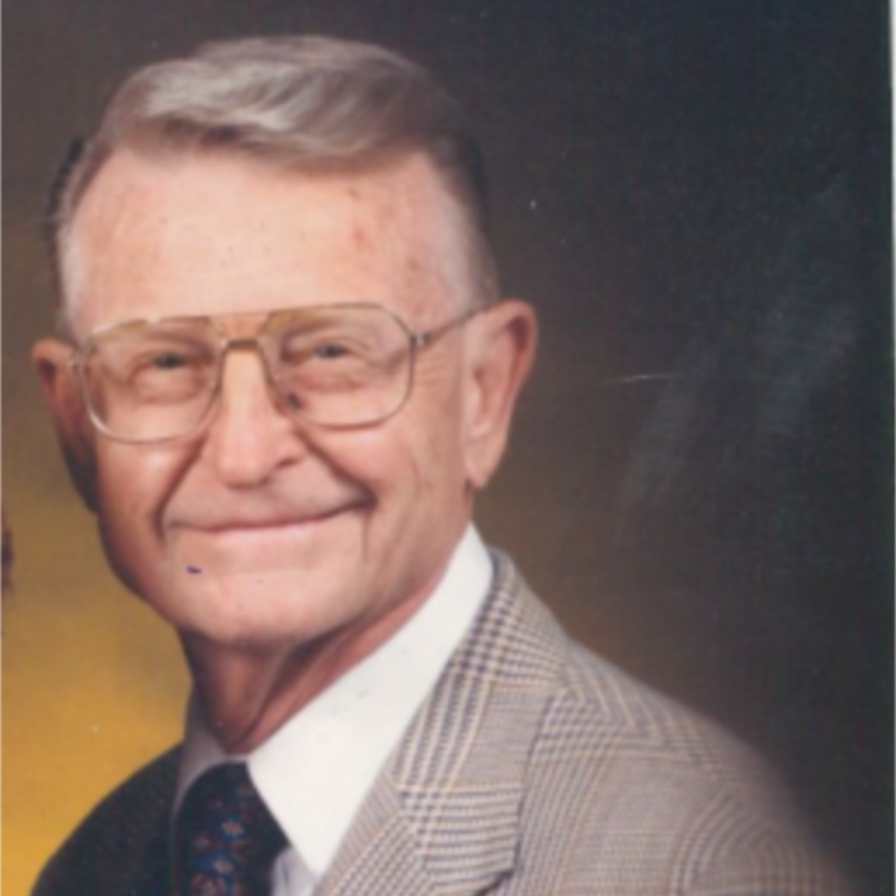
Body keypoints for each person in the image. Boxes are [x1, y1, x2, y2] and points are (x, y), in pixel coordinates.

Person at [31, 35, 849, 896]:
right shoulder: (98, 866)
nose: (244, 453)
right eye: (164, 362)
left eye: (333, 350)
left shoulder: (710, 864)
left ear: (484, 391)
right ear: (75, 425)